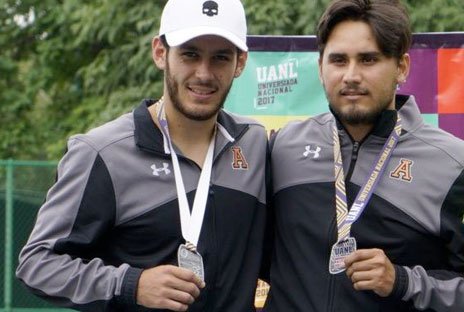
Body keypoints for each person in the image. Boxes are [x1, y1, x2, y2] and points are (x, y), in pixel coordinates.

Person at [16, 0, 269, 311]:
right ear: (160, 53)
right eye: (189, 54)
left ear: (240, 63)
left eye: (220, 58)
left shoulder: (254, 143)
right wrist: (129, 285)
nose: (204, 73)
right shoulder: (103, 153)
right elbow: (37, 264)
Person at [264, 0, 464, 311]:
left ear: (402, 67)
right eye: (338, 61)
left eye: (368, 60)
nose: (351, 76)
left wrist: (404, 281)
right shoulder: (285, 145)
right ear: (320, 68)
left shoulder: (453, 164)